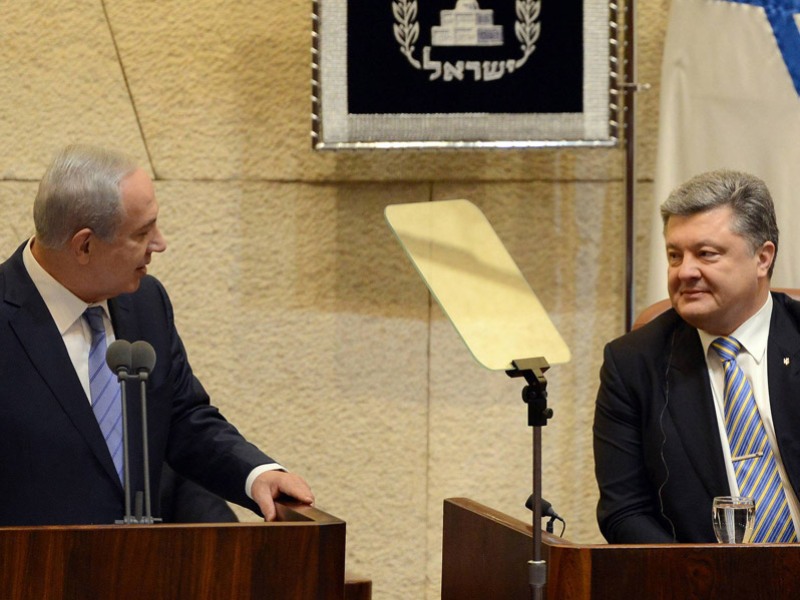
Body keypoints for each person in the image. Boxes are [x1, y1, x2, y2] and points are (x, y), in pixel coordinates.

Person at [0, 144, 313, 525]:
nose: (160, 244)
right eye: (142, 232)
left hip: (142, 571)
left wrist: (256, 474)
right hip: (31, 575)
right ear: (85, 245)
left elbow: (184, 416)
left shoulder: (146, 303)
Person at [593, 169, 800, 543]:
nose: (685, 271)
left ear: (762, 258)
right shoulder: (634, 365)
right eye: (675, 256)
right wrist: (700, 580)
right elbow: (624, 512)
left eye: (706, 254)